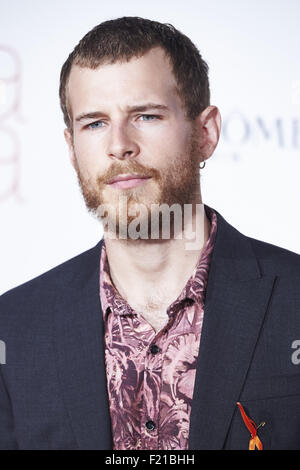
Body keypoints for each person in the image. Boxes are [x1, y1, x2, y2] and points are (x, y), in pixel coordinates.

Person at [0, 16, 300, 451]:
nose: (119, 144)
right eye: (95, 123)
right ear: (71, 148)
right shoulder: (14, 328)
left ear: (205, 132)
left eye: (145, 115)